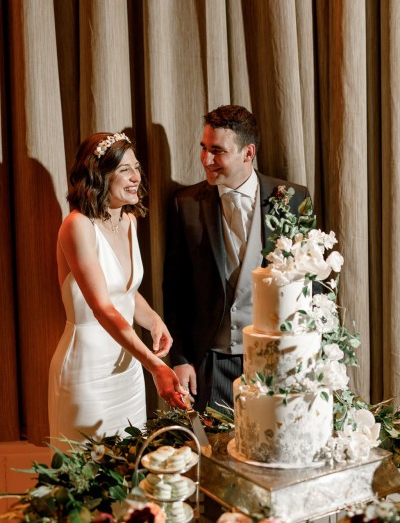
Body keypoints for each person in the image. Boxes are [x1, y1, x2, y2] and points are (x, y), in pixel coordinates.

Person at [163, 105, 310, 413]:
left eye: (218, 151)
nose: (206, 159)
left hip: (278, 357)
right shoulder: (184, 204)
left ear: (248, 153)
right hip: (214, 362)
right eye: (203, 149)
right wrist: (179, 359)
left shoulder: (293, 198)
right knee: (216, 455)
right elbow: (174, 291)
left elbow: (313, 283)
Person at [49, 131, 186, 446]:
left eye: (136, 168)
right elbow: (102, 306)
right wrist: (154, 365)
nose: (136, 177)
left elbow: (123, 291)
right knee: (86, 476)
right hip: (87, 371)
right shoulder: (77, 226)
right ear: (99, 176)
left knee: (129, 467)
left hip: (127, 369)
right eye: (125, 170)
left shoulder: (128, 220)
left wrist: (153, 320)